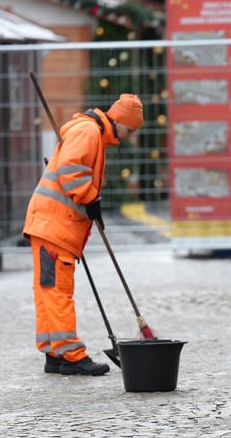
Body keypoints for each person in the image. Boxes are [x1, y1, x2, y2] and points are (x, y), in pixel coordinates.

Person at [23, 94, 144, 376]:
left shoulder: (94, 133)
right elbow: (70, 170)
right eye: (129, 130)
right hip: (54, 226)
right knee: (58, 292)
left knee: (49, 290)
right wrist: (91, 199)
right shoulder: (88, 131)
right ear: (120, 120)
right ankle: (73, 355)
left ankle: (54, 354)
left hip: (53, 225)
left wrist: (91, 203)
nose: (128, 136)